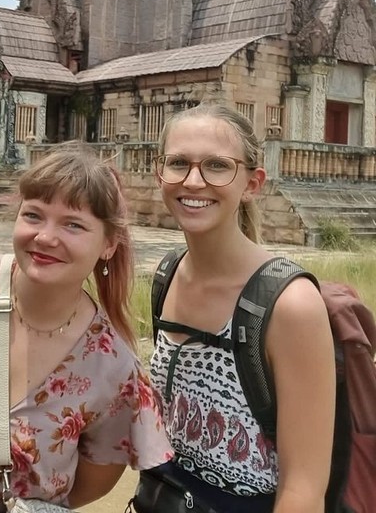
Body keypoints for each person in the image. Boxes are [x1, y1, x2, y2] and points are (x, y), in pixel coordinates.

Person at [0, 141, 171, 512]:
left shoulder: (113, 368)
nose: (46, 237)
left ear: (109, 244)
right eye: (33, 215)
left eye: (73, 224)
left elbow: (88, 486)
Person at [146, 103, 335, 513]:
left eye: (217, 166)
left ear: (252, 183)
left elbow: (303, 489)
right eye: (178, 163)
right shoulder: (167, 275)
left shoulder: (290, 304)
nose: (193, 181)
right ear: (160, 172)